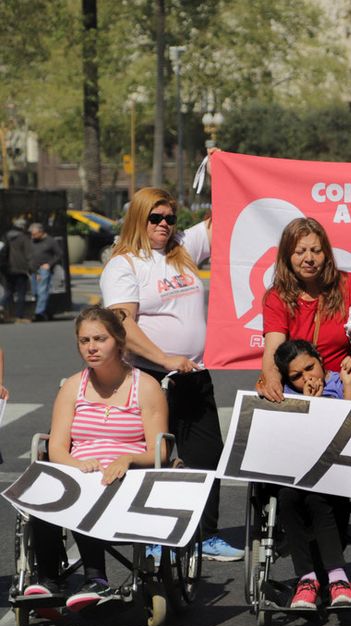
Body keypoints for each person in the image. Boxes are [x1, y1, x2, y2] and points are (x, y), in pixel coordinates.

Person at [100, 187, 243, 561]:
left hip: (194, 373)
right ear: (139, 220)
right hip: (149, 375)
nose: (164, 225)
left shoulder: (182, 249)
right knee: (156, 458)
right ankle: (153, 536)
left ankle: (205, 535)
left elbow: (221, 219)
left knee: (207, 455)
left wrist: (220, 171)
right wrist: (163, 358)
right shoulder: (124, 265)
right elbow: (122, 323)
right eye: (155, 218)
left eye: (170, 218)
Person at [19, 306, 168, 611]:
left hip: (128, 473)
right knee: (41, 495)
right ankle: (49, 579)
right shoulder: (73, 386)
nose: (91, 347)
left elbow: (160, 450)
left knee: (93, 491)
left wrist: (127, 459)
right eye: (84, 340)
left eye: (100, 339)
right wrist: (77, 466)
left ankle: (95, 578)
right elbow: (58, 447)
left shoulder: (146, 387)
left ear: (119, 341)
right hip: (79, 470)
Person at [268, 338, 351, 608]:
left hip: (336, 470)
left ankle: (337, 578)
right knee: (287, 497)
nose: (306, 378)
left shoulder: (339, 382)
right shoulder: (286, 393)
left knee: (318, 498)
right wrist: (307, 403)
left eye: (310, 368)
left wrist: (345, 387)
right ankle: (307, 579)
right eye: (296, 376)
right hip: (297, 470)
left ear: (319, 359)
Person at [255, 217, 351, 403]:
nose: (309, 259)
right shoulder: (276, 297)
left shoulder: (350, 284)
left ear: (326, 254)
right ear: (287, 257)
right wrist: (272, 380)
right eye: (300, 252)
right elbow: (273, 350)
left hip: (342, 387)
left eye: (316, 251)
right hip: (297, 391)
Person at [29, 223, 62, 322]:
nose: (33, 236)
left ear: (41, 232)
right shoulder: (33, 241)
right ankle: (44, 311)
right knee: (35, 292)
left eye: (34, 234)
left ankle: (39, 313)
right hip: (34, 270)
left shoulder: (50, 241)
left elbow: (59, 254)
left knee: (42, 291)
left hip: (44, 269)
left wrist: (49, 264)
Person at [4, 219, 34, 322]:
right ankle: (18, 315)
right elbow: (29, 255)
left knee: (9, 292)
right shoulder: (23, 238)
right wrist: (32, 269)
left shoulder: (6, 236)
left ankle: (7, 313)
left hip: (7, 269)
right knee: (21, 293)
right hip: (20, 269)